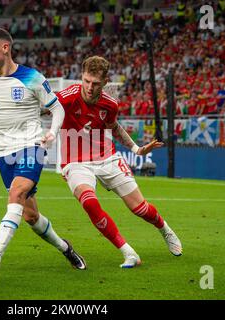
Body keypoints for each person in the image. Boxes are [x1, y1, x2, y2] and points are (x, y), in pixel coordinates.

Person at [0, 28, 86, 279]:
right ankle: (65, 247)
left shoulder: (33, 78)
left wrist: (52, 132)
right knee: (30, 215)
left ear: (5, 48)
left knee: (16, 193)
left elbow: (57, 109)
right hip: (5, 153)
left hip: (31, 147)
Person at [56, 56, 182, 268]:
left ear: (105, 82)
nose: (89, 87)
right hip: (75, 161)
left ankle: (165, 229)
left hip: (107, 157)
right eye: (86, 81)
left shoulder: (110, 104)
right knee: (89, 202)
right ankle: (129, 252)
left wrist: (136, 148)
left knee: (140, 208)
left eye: (95, 83)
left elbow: (113, 127)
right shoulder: (65, 97)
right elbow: (40, 108)